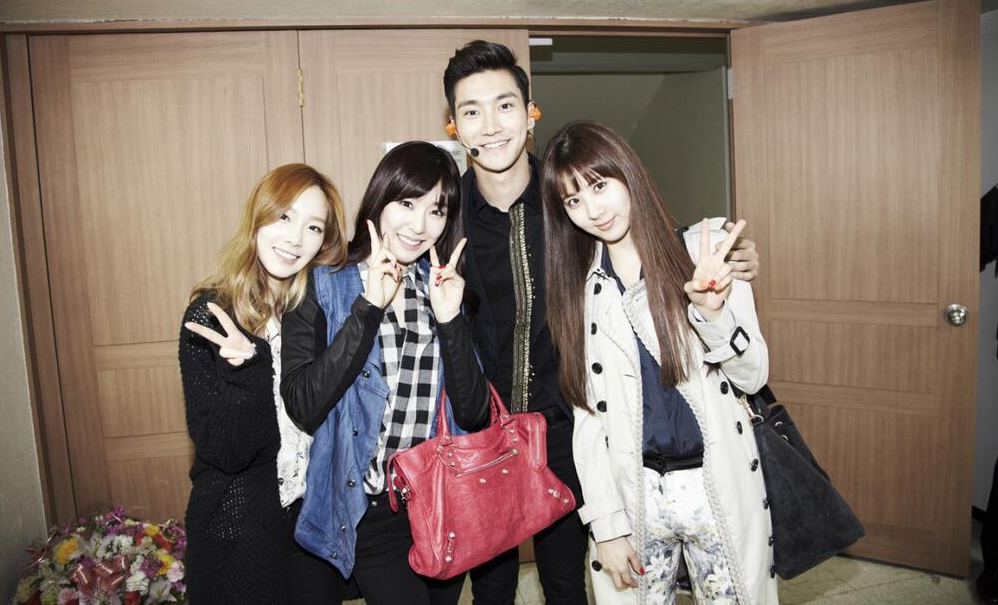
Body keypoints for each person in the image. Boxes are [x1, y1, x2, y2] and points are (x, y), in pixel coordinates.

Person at [442, 40, 761, 605]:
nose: (490, 126)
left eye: (504, 105)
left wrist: (715, 257)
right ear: (454, 127)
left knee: (568, 583)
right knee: (491, 587)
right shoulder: (447, 216)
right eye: (472, 111)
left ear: (530, 113)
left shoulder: (567, 199)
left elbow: (641, 236)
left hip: (573, 426)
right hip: (485, 433)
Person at [540, 120, 776, 604]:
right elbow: (588, 418)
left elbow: (754, 376)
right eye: (573, 200)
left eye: (599, 186)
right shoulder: (579, 291)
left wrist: (712, 314)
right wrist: (606, 525)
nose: (593, 210)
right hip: (635, 492)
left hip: (716, 485)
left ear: (628, 173)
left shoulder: (702, 255)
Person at [280, 141, 492, 605]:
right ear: (380, 199)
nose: (419, 225)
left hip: (438, 505)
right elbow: (302, 404)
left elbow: (474, 415)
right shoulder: (326, 282)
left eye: (436, 211)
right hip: (369, 509)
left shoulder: (441, 289)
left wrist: (451, 320)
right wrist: (369, 307)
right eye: (407, 204)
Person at [178, 163, 352, 604]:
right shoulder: (212, 316)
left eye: (314, 227)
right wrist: (247, 371)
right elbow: (227, 453)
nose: (295, 238)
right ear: (258, 217)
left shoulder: (313, 313)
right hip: (238, 526)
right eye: (285, 217)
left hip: (308, 522)